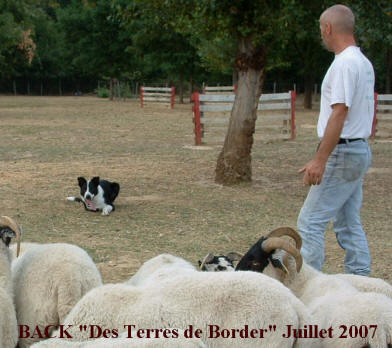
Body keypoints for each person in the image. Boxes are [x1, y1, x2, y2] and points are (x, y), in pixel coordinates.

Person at [297, 4, 375, 276]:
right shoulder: (362, 62)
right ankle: (360, 278)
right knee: (347, 221)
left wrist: (320, 160)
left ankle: (309, 285)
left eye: (321, 30)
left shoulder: (344, 64)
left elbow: (339, 112)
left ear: (328, 28)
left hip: (343, 153)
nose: (322, 35)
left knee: (310, 222)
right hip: (358, 149)